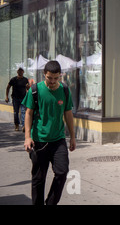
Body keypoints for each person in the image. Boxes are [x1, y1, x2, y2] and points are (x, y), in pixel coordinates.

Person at [23, 60, 76, 205]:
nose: (52, 81)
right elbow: (28, 113)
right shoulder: (35, 90)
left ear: (60, 76)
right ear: (44, 75)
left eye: (55, 78)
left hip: (58, 140)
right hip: (39, 140)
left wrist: (72, 136)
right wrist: (27, 137)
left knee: (62, 172)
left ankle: (51, 203)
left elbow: (68, 113)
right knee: (38, 179)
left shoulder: (64, 90)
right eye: (49, 78)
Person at [5, 67, 29, 131]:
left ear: (23, 72)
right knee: (16, 112)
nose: (20, 72)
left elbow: (28, 89)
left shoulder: (25, 80)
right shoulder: (13, 79)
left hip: (23, 98)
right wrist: (7, 96)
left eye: (21, 71)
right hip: (15, 99)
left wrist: (28, 87)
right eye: (19, 71)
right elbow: (8, 87)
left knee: (23, 112)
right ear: (17, 72)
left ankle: (24, 126)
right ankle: (17, 125)